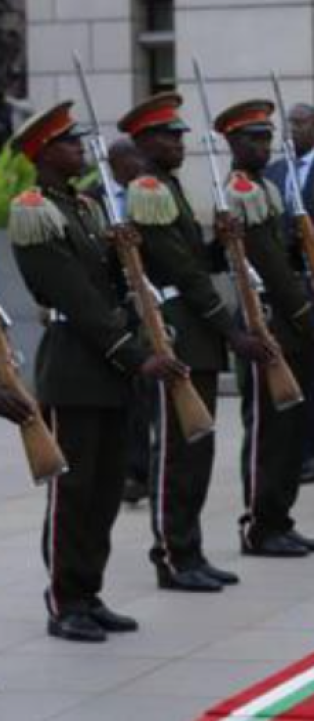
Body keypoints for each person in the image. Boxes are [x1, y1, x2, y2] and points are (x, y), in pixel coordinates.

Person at [8, 101, 189, 642]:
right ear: (44, 153)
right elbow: (78, 300)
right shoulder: (33, 210)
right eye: (68, 143)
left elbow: (106, 282)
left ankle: (90, 591)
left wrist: (120, 248)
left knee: (107, 488)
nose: (80, 148)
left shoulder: (84, 209)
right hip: (75, 366)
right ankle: (65, 601)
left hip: (107, 369)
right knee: (75, 491)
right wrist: (136, 355)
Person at [120, 93, 275, 589]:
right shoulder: (149, 190)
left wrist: (220, 242)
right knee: (176, 453)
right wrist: (231, 330)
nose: (178, 142)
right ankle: (171, 555)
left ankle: (190, 549)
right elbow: (182, 273)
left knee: (198, 450)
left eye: (181, 135)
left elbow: (193, 258)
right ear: (144, 142)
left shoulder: (170, 188)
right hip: (177, 331)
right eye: (168, 135)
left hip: (194, 331)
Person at [215, 99, 314, 557]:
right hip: (264, 319)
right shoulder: (239, 191)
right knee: (268, 432)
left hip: (286, 320)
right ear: (232, 143)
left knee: (292, 431)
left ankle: (279, 517)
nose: (264, 145)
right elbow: (270, 267)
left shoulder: (266, 188)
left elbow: (281, 253)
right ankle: (259, 525)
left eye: (267, 136)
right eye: (254, 138)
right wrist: (312, 323)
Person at [265, 102, 314, 485]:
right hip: (280, 285)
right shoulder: (273, 171)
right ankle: (288, 449)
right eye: (288, 123)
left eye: (301, 122)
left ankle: (311, 451)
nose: (292, 130)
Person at [87, 139, 154, 505]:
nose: (140, 164)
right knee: (121, 390)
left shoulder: (144, 194)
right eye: (134, 157)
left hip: (144, 305)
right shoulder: (91, 199)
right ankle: (128, 467)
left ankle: (142, 468)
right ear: (113, 162)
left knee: (143, 392)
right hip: (109, 309)